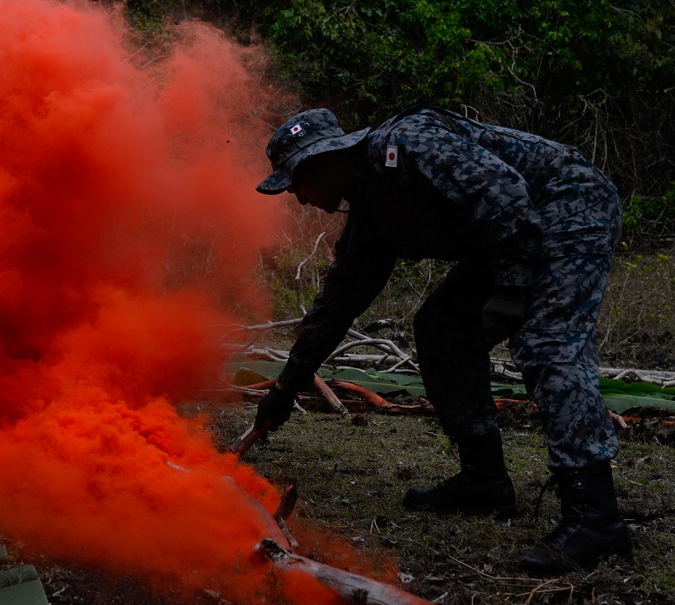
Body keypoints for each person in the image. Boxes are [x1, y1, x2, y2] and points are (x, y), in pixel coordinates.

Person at [252, 105, 632, 574]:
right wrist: (285, 388)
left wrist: (513, 285)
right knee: (441, 329)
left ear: (321, 162)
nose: (300, 200)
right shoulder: (370, 215)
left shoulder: (408, 146)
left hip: (566, 203)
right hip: (515, 229)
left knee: (548, 342)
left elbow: (505, 191)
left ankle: (596, 518)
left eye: (296, 185)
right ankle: (484, 480)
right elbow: (335, 307)